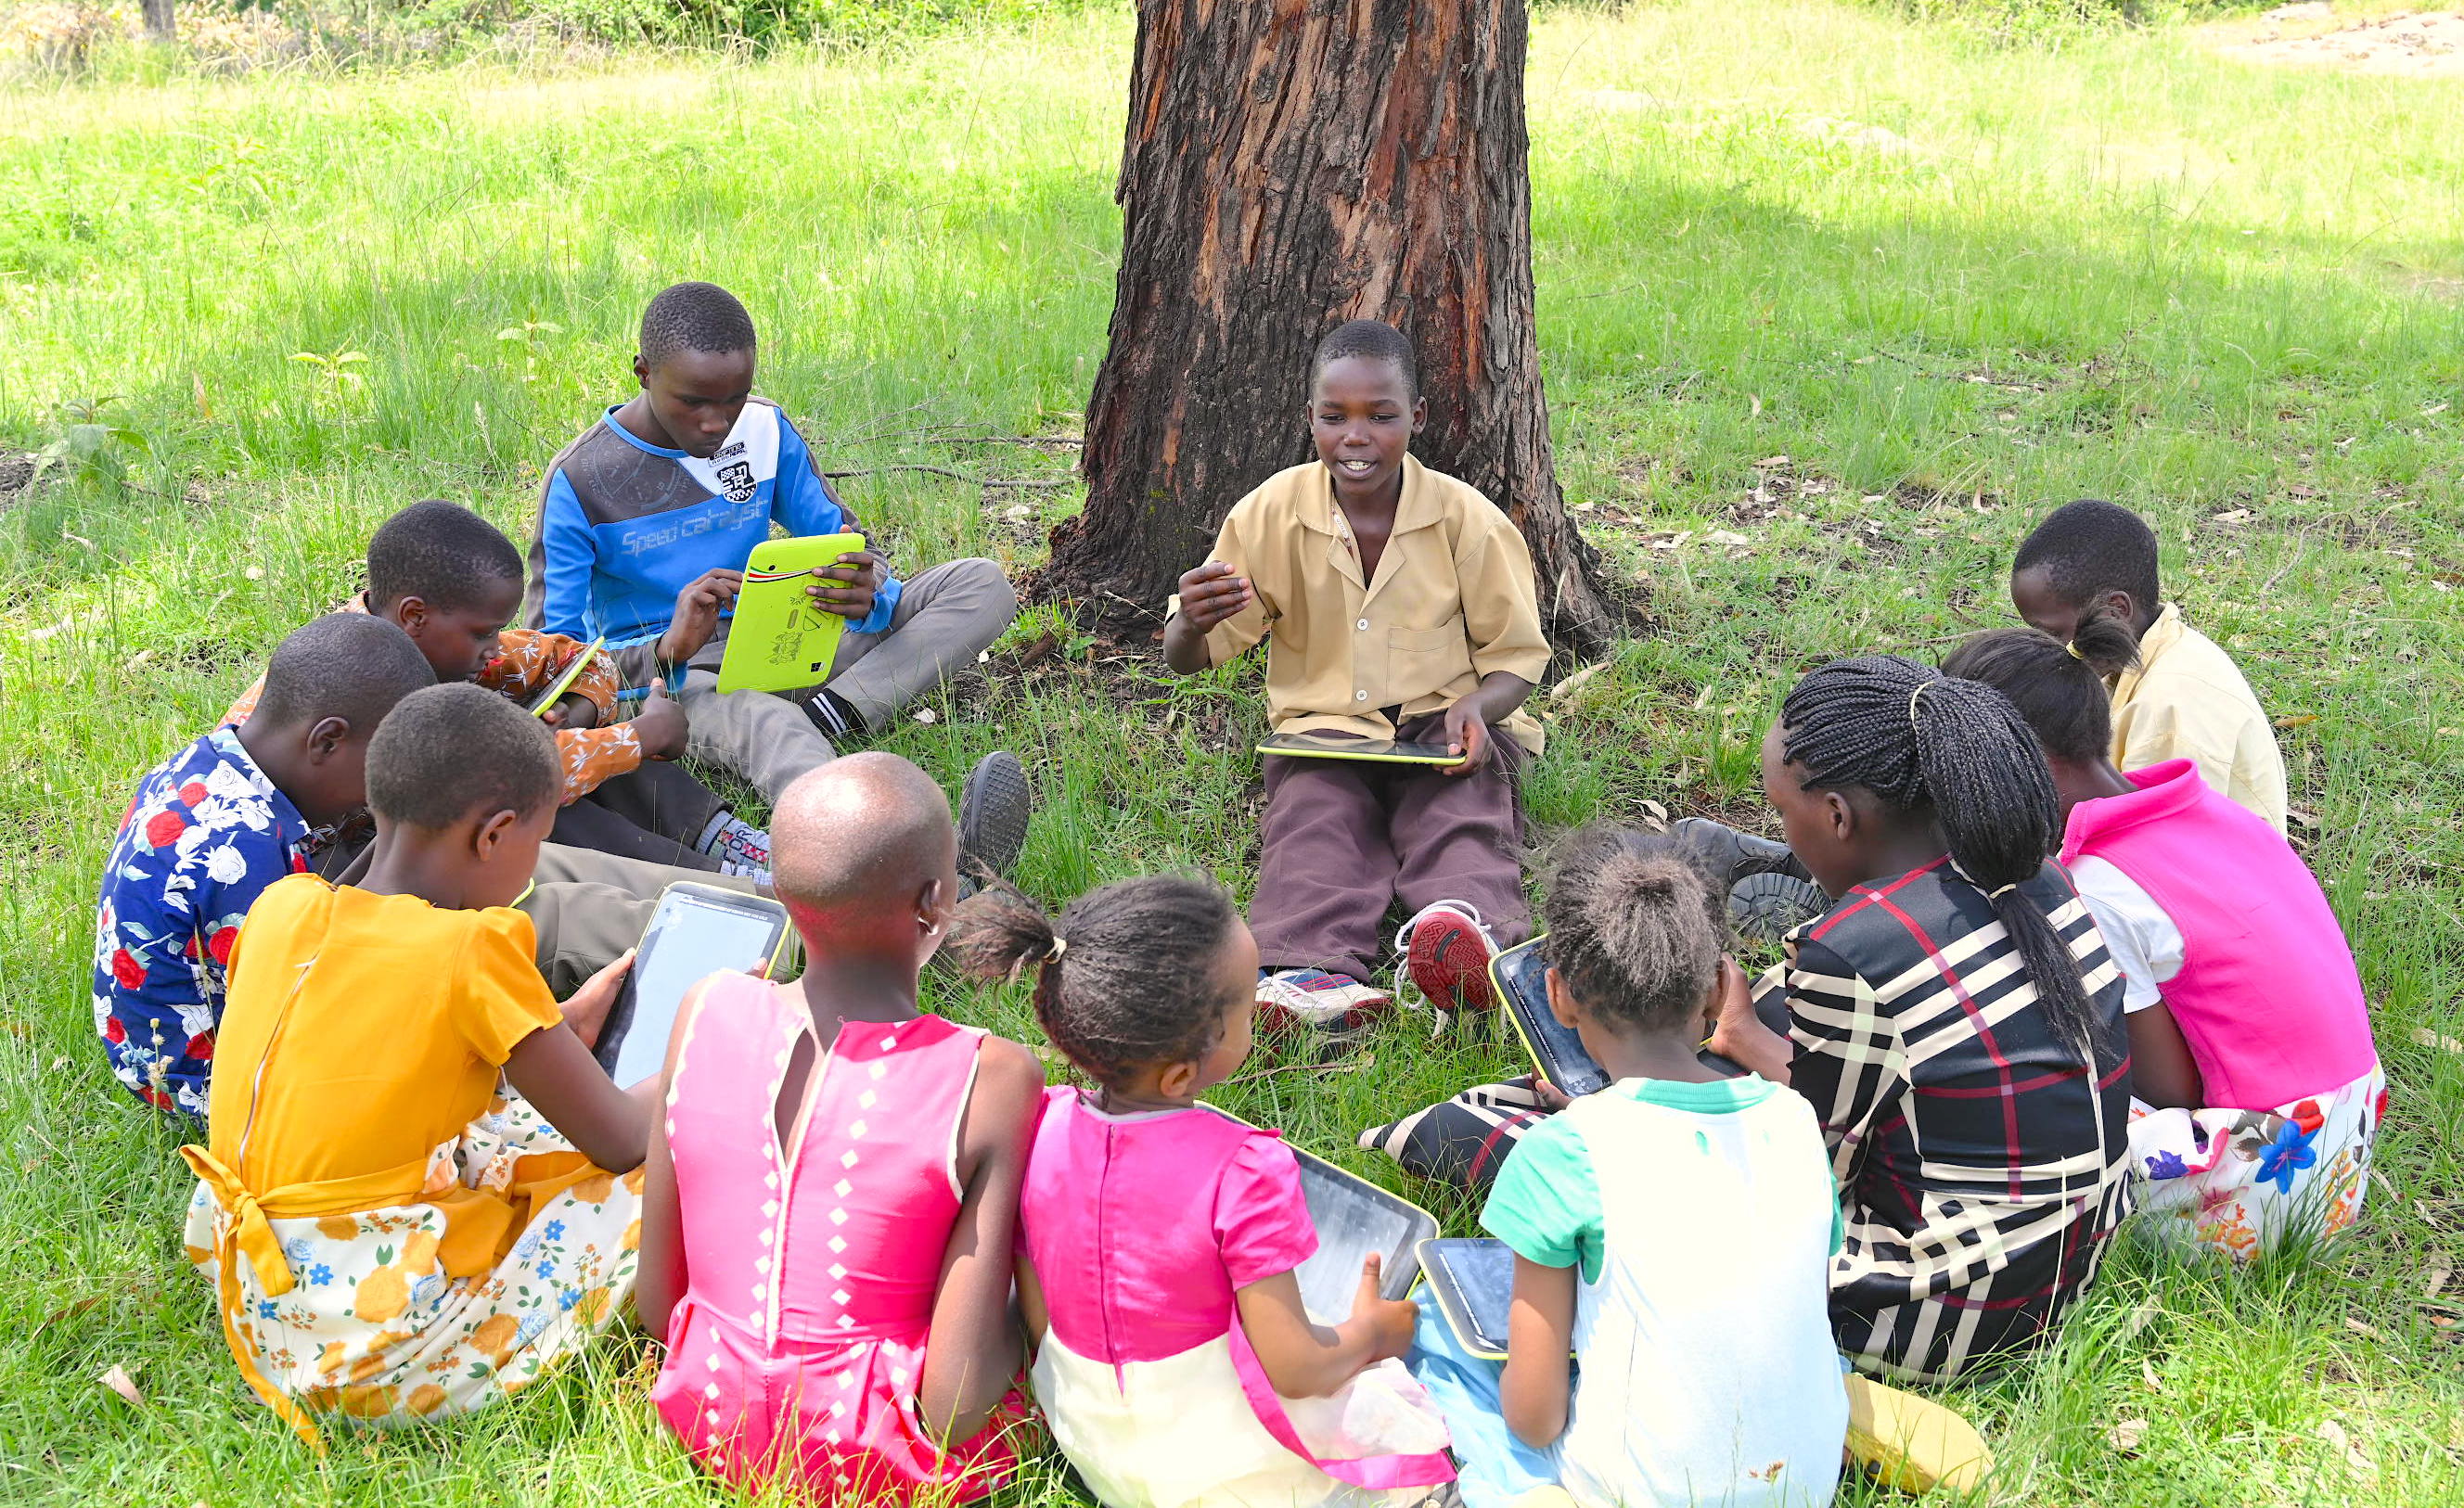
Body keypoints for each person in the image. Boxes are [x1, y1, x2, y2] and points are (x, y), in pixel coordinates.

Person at [179, 684, 651, 1444]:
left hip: (260, 1294)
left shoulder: (285, 906)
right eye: (539, 840)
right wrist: (697, 1045)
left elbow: (373, 1059)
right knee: (672, 1164)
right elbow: (626, 1141)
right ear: (496, 835)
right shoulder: (472, 948)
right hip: (378, 1344)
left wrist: (552, 1030)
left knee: (511, 1129)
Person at [951, 874, 1455, 1507]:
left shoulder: (1041, 1125)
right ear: (1184, 1074)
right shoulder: (1246, 1171)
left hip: (1097, 1447)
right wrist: (1376, 1333)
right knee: (1427, 1365)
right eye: (1246, 1005)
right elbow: (1299, 1370)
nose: (1256, 1011)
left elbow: (1040, 1311)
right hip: (1227, 1476)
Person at [1705, 656, 2133, 1384]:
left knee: (1486, 1137)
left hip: (1935, 1321)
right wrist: (1750, 1032)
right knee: (1776, 1001)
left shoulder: (1851, 951)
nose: (1784, 827)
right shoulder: (2037, 876)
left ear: (1838, 816)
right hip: (2064, 1275)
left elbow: (1804, 1170)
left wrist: (1690, 1079)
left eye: (1782, 812)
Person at [634, 754, 1045, 1501]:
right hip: (873, 1457)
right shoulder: (992, 1075)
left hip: (707, 1410)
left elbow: (659, 1306)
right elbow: (956, 1407)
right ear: (933, 903)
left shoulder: (706, 1007)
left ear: (784, 896)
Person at [1404, 829, 1846, 1508]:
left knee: (1434, 1322)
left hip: (1642, 1493)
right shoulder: (1794, 1121)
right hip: (1805, 1485)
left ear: (1558, 995)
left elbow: (1535, 1416)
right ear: (1718, 990)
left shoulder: (1563, 1155)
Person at [523, 280, 1024, 854]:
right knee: (775, 728)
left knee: (979, 584)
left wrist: (868, 589)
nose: (718, 422)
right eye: (694, 402)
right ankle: (889, 865)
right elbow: (555, 666)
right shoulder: (581, 480)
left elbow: (845, 539)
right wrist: (670, 648)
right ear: (642, 372)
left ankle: (838, 712)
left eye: (734, 398)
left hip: (792, 636)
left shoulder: (764, 429)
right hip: (685, 676)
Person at [1943, 618, 2384, 1258]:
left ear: (2018, 762)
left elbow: (2166, 1093)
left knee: (1998, 1092)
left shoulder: (2098, 888)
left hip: (2267, 1187)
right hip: (2345, 1137)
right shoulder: (2211, 812)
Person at [1162, 318, 1548, 1032]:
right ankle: (1306, 973)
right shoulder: (1268, 516)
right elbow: (1188, 658)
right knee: (1314, 822)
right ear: (1310, 418)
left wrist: (1479, 707)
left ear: (1417, 418)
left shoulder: (1470, 523)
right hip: (1326, 730)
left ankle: (1464, 938)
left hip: (1445, 726)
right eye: (1334, 417)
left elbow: (1517, 660)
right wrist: (1190, 620)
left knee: (1461, 817)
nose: (1356, 436)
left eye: (1382, 415)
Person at [224, 498, 773, 879]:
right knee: (534, 785)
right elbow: (485, 787)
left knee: (553, 754)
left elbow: (581, 660)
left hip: (446, 819)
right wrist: (639, 738)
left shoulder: (440, 641)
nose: (493, 647)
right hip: (345, 867)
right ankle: (718, 882)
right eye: (482, 632)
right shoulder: (352, 685)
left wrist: (580, 714)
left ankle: (726, 842)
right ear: (414, 615)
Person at [93, 614, 434, 1114]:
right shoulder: (244, 855)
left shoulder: (206, 762)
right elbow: (296, 1006)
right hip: (200, 1080)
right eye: (384, 768)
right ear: (326, 741)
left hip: (138, 1044)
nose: (383, 791)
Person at [2011, 498, 2289, 832]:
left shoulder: (2169, 708)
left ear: (2116, 611)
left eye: (2053, 633)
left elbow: (2154, 845)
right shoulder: (2136, 655)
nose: (2051, 650)